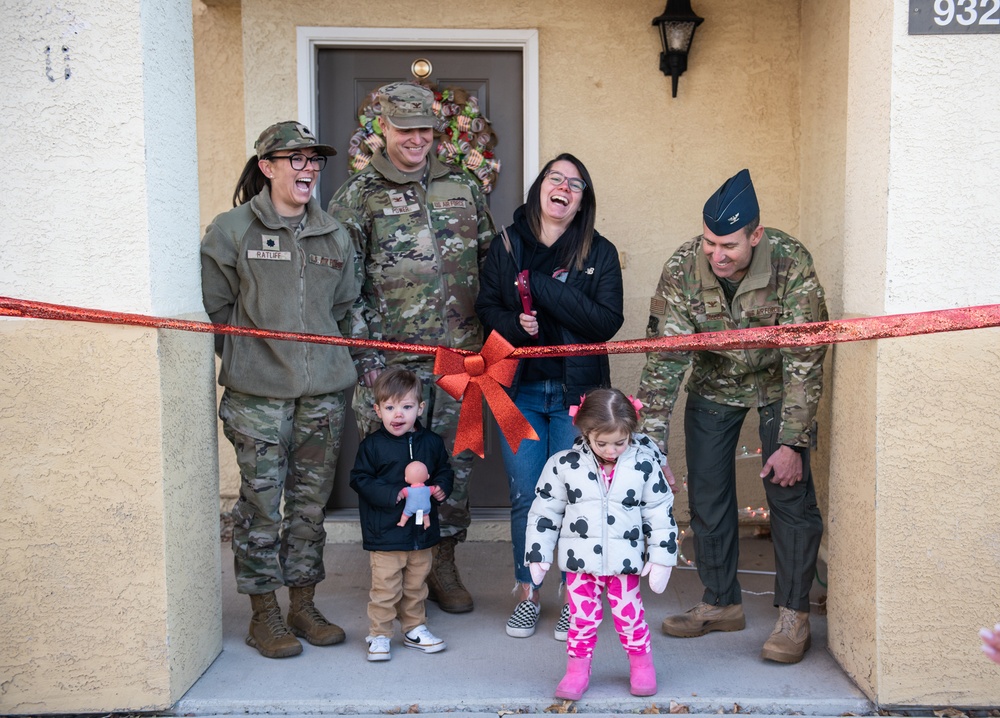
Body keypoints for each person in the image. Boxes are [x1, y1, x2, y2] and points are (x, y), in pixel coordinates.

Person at [635, 168, 829, 665]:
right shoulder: (683, 267)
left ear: (756, 236)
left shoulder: (790, 261)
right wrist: (649, 445)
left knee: (789, 498)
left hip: (777, 389)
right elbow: (664, 359)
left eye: (729, 246)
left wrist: (792, 441)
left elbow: (805, 358)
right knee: (707, 495)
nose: (717, 256)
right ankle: (720, 602)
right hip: (715, 386)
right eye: (709, 243)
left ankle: (793, 614)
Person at [329, 81, 494, 614]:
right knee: (393, 469)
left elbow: (490, 263)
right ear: (384, 129)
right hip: (392, 367)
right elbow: (344, 287)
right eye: (406, 130)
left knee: (454, 465)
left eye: (425, 129)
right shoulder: (357, 196)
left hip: (463, 361)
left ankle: (443, 563)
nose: (417, 139)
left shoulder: (463, 185)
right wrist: (368, 363)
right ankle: (391, 575)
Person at [200, 121, 359, 659]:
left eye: (314, 159)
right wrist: (251, 358)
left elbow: (341, 307)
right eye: (295, 159)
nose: (308, 168)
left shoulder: (335, 234)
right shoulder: (231, 230)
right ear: (266, 167)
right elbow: (217, 307)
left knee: (310, 507)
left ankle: (303, 604)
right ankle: (263, 612)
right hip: (257, 397)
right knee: (262, 506)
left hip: (323, 395)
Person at [475, 153, 624, 640]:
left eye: (575, 184)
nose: (564, 187)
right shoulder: (506, 244)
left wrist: (539, 285)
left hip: (574, 399)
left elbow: (604, 322)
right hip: (517, 395)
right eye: (556, 178)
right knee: (527, 497)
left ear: (582, 202)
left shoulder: (598, 253)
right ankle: (527, 592)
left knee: (573, 500)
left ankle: (571, 598)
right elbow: (487, 306)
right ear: (541, 187)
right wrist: (513, 323)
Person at [524, 389, 677, 700]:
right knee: (581, 618)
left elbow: (659, 510)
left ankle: (642, 665)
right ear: (585, 432)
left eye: (619, 443)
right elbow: (545, 509)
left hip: (624, 562)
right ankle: (576, 671)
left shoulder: (643, 465)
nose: (611, 450)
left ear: (630, 433)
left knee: (630, 616)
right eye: (602, 443)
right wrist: (538, 552)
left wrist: (662, 557)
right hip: (580, 563)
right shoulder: (564, 464)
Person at [350, 368, 454, 662]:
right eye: (390, 407)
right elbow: (359, 479)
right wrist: (392, 493)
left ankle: (414, 628)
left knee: (415, 586)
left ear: (419, 408)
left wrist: (441, 487)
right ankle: (379, 634)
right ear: (377, 409)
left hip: (421, 534)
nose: (398, 415)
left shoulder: (431, 443)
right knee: (385, 588)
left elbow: (445, 470)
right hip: (385, 533)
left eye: (406, 407)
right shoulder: (372, 446)